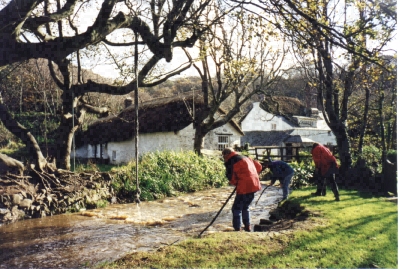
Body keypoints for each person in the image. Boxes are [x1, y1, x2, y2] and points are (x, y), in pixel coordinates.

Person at [222, 147, 262, 232]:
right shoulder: (245, 157)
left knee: (236, 209)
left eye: (223, 156)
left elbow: (231, 178)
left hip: (244, 186)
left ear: (226, 155)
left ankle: (237, 228)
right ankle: (247, 226)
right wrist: (251, 174)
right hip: (254, 184)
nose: (224, 158)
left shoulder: (231, 162)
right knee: (245, 207)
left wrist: (236, 182)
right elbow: (258, 166)